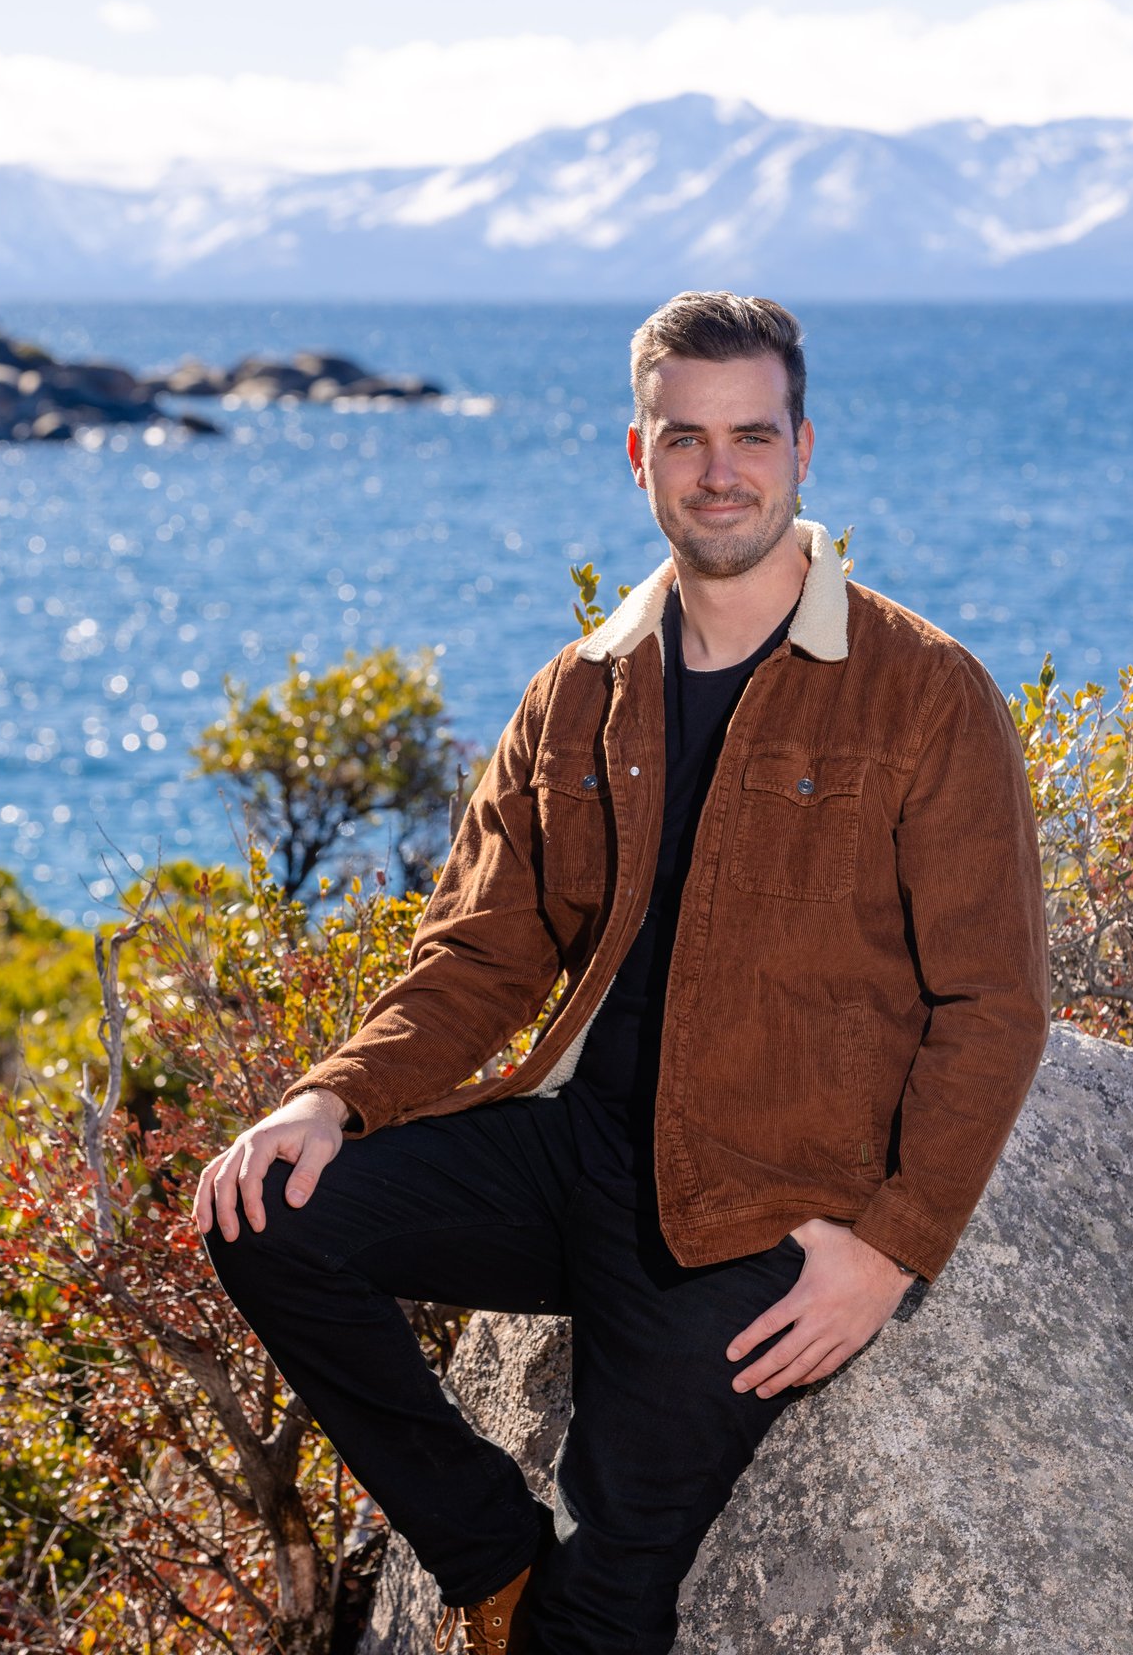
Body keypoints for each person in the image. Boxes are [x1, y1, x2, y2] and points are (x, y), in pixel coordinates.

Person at [194, 291, 1051, 1655]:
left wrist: (889, 1252)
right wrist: (330, 1101)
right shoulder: (579, 692)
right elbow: (478, 951)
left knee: (605, 1602)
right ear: (637, 454)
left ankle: (546, 1598)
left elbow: (993, 1006)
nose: (722, 469)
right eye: (686, 436)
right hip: (577, 1152)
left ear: (804, 448)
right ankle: (485, 1554)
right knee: (264, 1218)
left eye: (752, 435)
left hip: (758, 1208)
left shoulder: (920, 689)